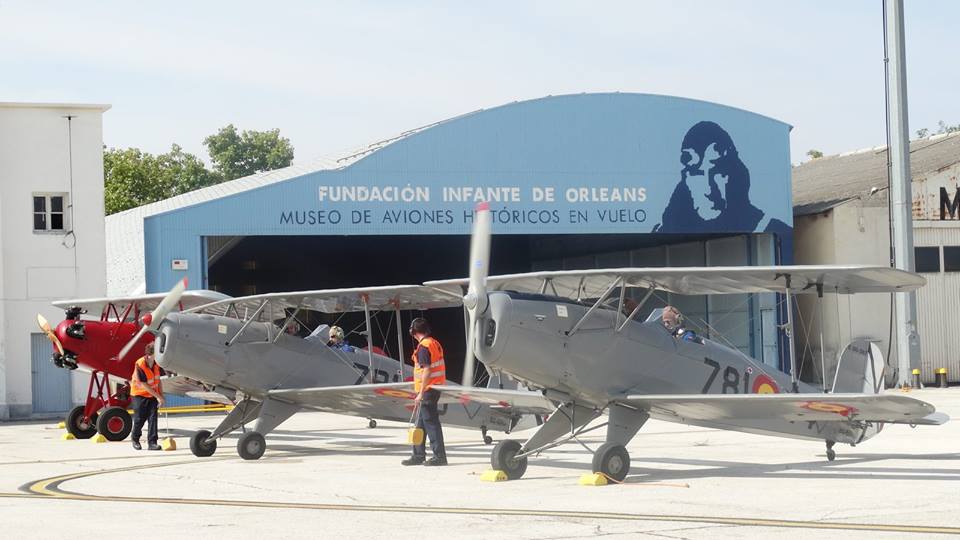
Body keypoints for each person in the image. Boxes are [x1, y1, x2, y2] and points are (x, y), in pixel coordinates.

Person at [401, 317, 447, 466]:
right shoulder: (433, 343)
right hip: (433, 388)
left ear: (413, 331)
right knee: (420, 423)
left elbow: (427, 370)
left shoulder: (423, 347)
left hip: (428, 390)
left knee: (431, 423)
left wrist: (420, 393)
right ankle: (418, 454)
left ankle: (439, 456)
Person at [130, 342, 164, 450]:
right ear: (152, 353)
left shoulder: (157, 364)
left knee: (153, 418)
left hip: (152, 395)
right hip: (139, 394)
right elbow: (144, 384)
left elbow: (159, 381)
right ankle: (135, 439)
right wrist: (158, 397)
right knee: (140, 419)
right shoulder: (140, 364)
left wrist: (161, 396)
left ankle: (152, 443)